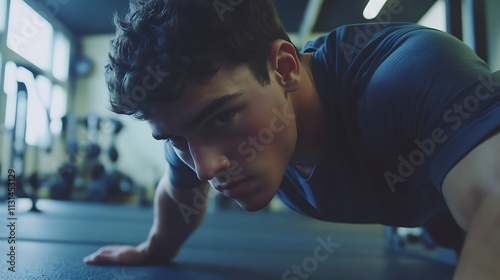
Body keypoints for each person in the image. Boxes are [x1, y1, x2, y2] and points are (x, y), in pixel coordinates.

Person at [83, 0, 500, 278]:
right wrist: (155, 248)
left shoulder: (407, 74)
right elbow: (177, 192)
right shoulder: (197, 137)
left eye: (223, 117)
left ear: (284, 67)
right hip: (435, 225)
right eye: (175, 139)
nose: (206, 167)